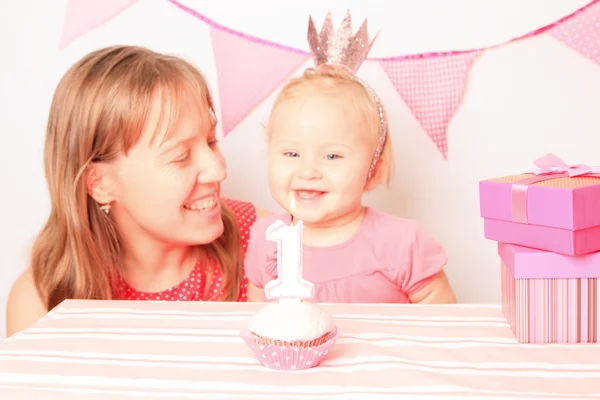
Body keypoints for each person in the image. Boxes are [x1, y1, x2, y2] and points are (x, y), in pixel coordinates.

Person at [6, 45, 269, 337]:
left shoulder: (269, 244)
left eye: (210, 141)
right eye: (180, 156)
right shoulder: (43, 302)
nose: (218, 170)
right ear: (100, 184)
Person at [244, 15, 456, 303]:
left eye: (332, 155)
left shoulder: (401, 244)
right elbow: (258, 314)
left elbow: (440, 317)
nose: (308, 171)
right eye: (291, 153)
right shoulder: (266, 240)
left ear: (374, 171)